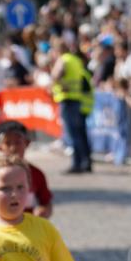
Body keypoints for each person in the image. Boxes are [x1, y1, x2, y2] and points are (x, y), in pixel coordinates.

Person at [0, 121, 53, 224]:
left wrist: (44, 211)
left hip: (26, 229)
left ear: (27, 143)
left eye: (18, 142)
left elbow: (46, 202)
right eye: (8, 143)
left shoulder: (37, 174)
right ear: (0, 147)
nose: (13, 147)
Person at [51, 39, 93, 173]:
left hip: (67, 99)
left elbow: (56, 75)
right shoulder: (75, 60)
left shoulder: (63, 59)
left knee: (73, 134)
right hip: (77, 99)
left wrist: (58, 83)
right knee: (81, 133)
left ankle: (77, 163)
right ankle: (86, 162)